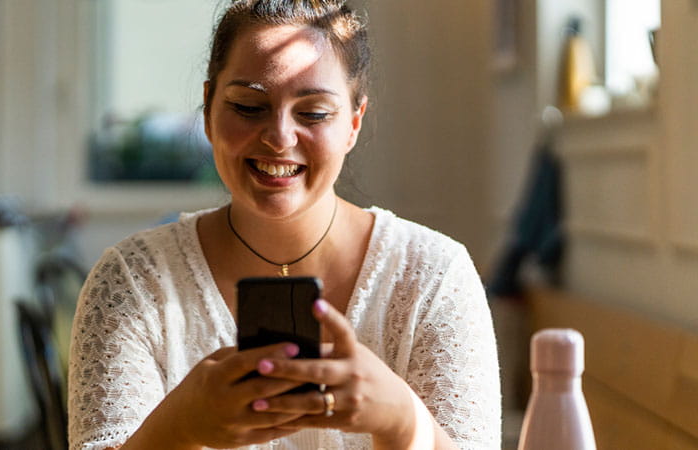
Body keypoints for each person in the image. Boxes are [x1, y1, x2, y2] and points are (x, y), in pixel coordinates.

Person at [67, 1, 501, 449]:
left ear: (353, 123)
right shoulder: (132, 281)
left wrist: (401, 422)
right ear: (209, 111)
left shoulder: (434, 276)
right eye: (248, 106)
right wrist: (178, 427)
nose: (278, 137)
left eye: (313, 113)